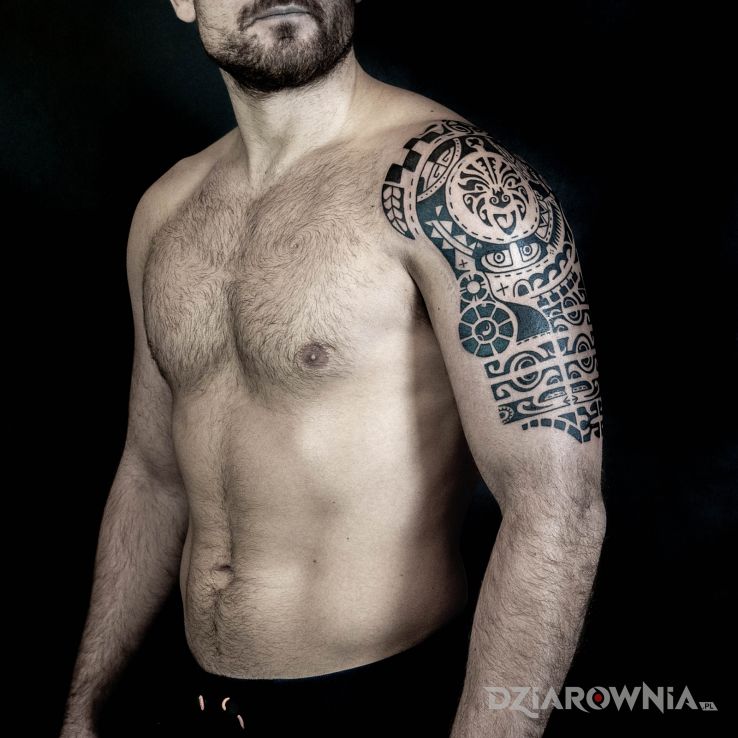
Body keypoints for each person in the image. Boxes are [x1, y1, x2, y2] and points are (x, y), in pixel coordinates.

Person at [61, 1, 606, 736]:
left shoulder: (456, 188)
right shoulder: (165, 212)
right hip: (197, 701)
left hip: (382, 702)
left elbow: (557, 510)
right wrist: (84, 707)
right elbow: (151, 474)